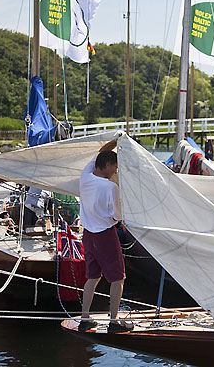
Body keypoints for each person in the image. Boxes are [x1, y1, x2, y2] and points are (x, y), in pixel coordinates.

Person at [78, 139, 133, 333]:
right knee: (117, 278)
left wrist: (116, 141)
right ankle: (114, 321)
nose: (116, 172)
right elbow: (117, 216)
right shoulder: (110, 187)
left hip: (88, 235)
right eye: (115, 168)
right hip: (105, 236)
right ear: (108, 165)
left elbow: (100, 153)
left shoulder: (84, 176)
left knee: (92, 277)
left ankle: (85, 318)